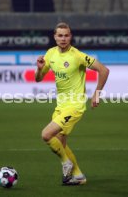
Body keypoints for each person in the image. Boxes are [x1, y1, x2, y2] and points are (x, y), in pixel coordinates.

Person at [35, 22, 109, 185]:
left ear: (71, 36)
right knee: (60, 142)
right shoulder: (51, 54)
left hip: (75, 106)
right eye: (60, 35)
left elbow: (104, 70)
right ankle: (78, 176)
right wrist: (40, 69)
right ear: (54, 37)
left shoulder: (77, 56)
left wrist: (97, 93)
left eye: (66, 35)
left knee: (46, 135)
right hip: (60, 105)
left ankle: (66, 163)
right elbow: (38, 79)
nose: (63, 38)